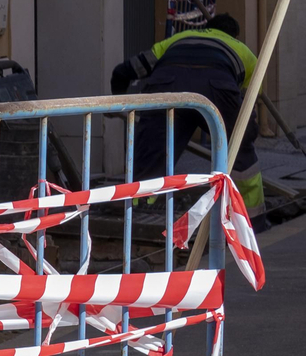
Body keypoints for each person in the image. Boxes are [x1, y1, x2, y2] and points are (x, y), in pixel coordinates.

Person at [111, 13, 263, 210]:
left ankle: (138, 210)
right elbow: (250, 100)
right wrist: (248, 130)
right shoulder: (243, 51)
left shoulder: (177, 40)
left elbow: (124, 71)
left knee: (151, 154)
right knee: (240, 145)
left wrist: (116, 102)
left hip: (167, 87)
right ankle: (250, 218)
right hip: (217, 90)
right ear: (234, 36)